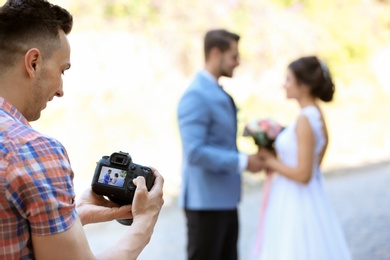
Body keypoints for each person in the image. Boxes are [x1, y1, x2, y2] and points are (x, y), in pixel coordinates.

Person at [0, 1, 164, 259]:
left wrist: (73, 215)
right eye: (62, 70)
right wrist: (144, 223)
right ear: (33, 63)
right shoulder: (33, 151)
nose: (61, 89)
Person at [253, 56, 352, 260]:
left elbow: (304, 174)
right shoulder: (316, 115)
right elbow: (315, 163)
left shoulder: (305, 119)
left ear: (303, 85)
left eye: (288, 79)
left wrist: (270, 161)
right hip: (307, 196)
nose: (284, 85)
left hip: (296, 200)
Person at [177, 29, 263, 260]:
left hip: (225, 199)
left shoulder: (214, 91)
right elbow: (194, 152)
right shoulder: (196, 95)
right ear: (216, 53)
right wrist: (244, 162)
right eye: (234, 56)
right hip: (205, 203)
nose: (237, 62)